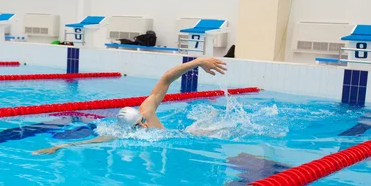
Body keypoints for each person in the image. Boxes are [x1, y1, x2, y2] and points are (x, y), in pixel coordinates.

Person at [33, 57, 227, 155]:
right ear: (127, 128)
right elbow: (90, 142)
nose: (142, 126)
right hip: (173, 139)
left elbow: (167, 78)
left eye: (141, 122)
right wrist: (59, 146)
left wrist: (199, 61)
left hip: (188, 134)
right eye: (136, 127)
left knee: (214, 130)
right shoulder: (119, 133)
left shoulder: (147, 110)